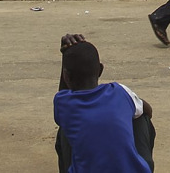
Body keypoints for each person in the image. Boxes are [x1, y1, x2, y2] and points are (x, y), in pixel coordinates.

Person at [55, 33, 154, 173]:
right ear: (101, 70)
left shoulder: (64, 104)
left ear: (66, 76)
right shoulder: (120, 92)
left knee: (66, 127)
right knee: (140, 116)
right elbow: (148, 110)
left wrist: (65, 55)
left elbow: (64, 98)